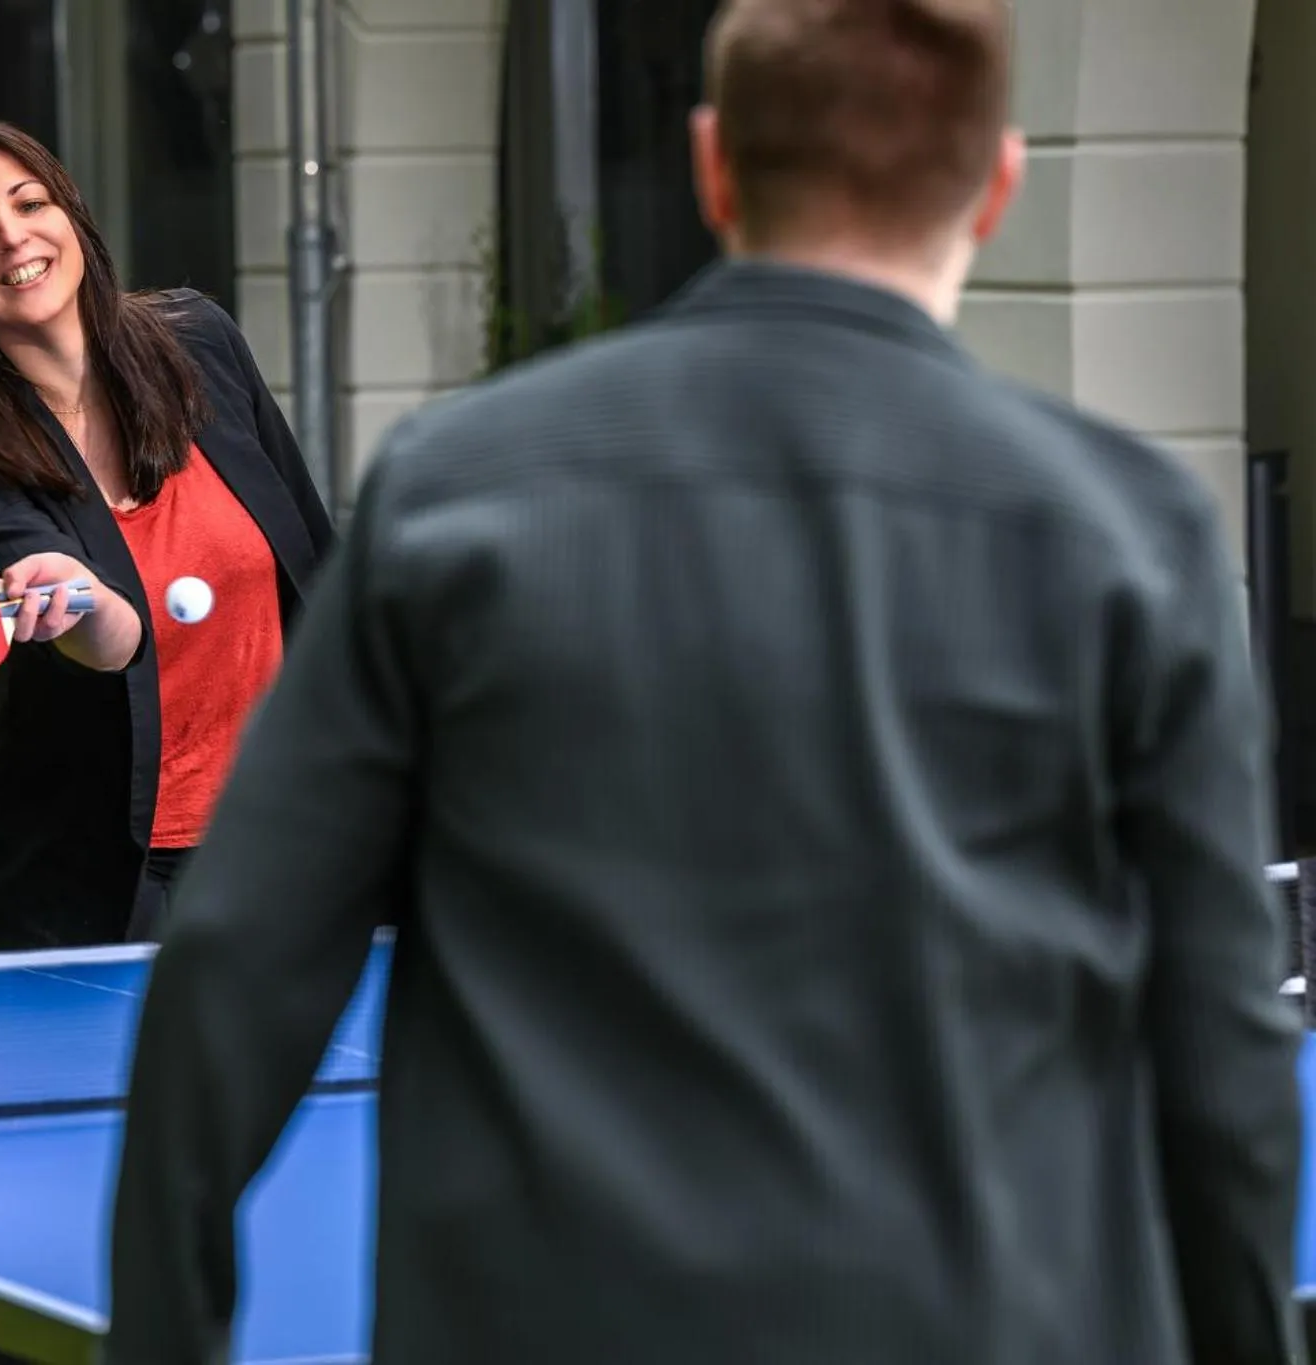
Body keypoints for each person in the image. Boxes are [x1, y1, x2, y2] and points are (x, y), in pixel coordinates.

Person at [105, 1, 1305, 1363]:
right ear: (996, 186)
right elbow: (1223, 1055)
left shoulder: (457, 492)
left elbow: (237, 970)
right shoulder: (1135, 531)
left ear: (712, 162)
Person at [0, 118, 333, 959]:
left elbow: (311, 561)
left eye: (30, 202)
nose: (11, 235)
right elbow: (111, 643)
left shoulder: (201, 343)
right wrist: (75, 592)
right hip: (105, 875)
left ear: (72, 219)